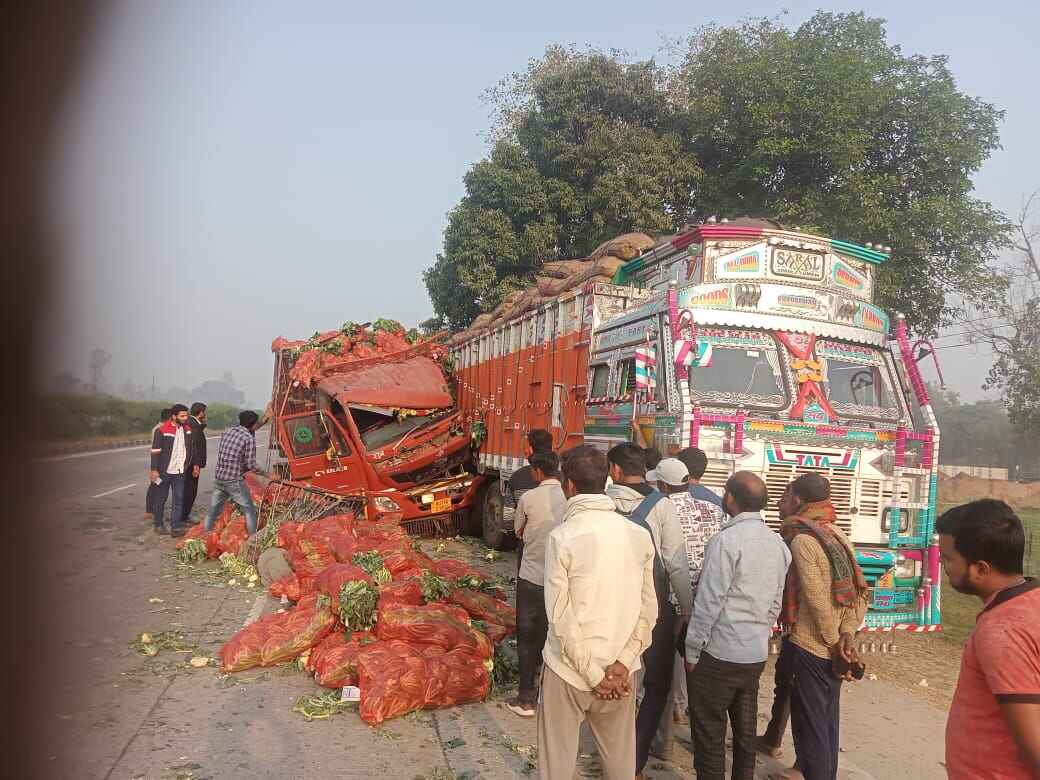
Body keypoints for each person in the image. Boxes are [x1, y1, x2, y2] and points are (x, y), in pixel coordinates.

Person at [538, 445, 658, 780]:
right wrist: (621, 664)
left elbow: (560, 617)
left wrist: (593, 675)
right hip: (621, 672)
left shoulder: (562, 537)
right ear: (607, 479)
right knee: (620, 760)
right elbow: (649, 609)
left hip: (569, 672)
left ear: (569, 486)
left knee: (557, 762)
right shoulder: (637, 535)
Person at [684, 471, 791, 780]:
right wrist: (758, 631)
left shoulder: (726, 541)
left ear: (730, 498)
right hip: (753, 654)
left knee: (710, 734)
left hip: (718, 654)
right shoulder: (778, 544)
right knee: (745, 734)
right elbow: (775, 602)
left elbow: (709, 602)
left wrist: (692, 650)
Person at [772, 474, 868, 780]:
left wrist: (832, 641)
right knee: (826, 722)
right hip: (836, 644)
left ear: (799, 501)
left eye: (785, 497)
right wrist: (847, 636)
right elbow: (858, 593)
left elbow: (815, 598)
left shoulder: (802, 540)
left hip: (812, 646)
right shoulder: (837, 534)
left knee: (810, 726)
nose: (779, 503)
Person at [605, 443, 693, 778]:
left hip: (609, 606)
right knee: (656, 685)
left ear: (614, 470)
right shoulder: (663, 505)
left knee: (612, 678)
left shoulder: (604, 502)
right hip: (652, 608)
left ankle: (611, 754)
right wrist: (686, 610)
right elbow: (676, 564)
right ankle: (635, 763)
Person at [938, 499, 1040, 779]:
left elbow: (1034, 746)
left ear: (981, 569)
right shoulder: (1031, 601)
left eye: (948, 558)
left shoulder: (1002, 631)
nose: (944, 566)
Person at [650, 457, 726, 736]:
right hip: (705, 597)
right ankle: (687, 715)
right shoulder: (712, 509)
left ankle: (664, 737)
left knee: (661, 668)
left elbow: (665, 560)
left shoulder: (659, 511)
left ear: (662, 484)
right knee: (693, 662)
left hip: (669, 599)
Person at [507, 450, 567, 718]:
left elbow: (517, 530)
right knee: (552, 636)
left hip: (532, 576)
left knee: (527, 637)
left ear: (537, 472)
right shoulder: (570, 498)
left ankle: (525, 698)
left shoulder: (530, 497)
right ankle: (548, 695)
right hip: (561, 578)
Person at [203, 410, 268, 535]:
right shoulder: (248, 438)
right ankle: (253, 540)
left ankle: (206, 536)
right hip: (233, 480)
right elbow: (251, 464)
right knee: (249, 510)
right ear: (253, 425)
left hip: (219, 477)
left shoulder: (228, 431)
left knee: (213, 509)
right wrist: (268, 475)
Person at [507, 428, 553, 559]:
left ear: (531, 449)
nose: (524, 451)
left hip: (528, 547)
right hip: (557, 547)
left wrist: (518, 533)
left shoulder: (517, 478)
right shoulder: (565, 481)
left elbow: (508, 518)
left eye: (526, 447)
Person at [149, 404, 194, 537]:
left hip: (180, 472)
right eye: (182, 416)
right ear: (174, 416)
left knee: (179, 499)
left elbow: (190, 449)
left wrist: (188, 465)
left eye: (186, 415)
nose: (185, 418)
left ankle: (175, 527)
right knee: (160, 498)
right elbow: (155, 451)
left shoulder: (187, 430)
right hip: (164, 471)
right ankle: (158, 525)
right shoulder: (162, 430)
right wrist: (154, 470)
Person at [181, 402, 207, 527]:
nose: (205, 414)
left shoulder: (192, 423)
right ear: (200, 412)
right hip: (191, 463)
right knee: (190, 490)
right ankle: (184, 516)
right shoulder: (194, 425)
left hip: (189, 462)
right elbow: (194, 447)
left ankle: (183, 515)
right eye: (204, 412)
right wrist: (196, 465)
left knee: (188, 489)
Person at [144, 407, 172, 519]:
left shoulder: (158, 427)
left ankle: (152, 510)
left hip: (160, 462)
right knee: (156, 485)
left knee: (157, 485)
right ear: (170, 417)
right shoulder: (160, 429)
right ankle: (150, 510)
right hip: (159, 463)